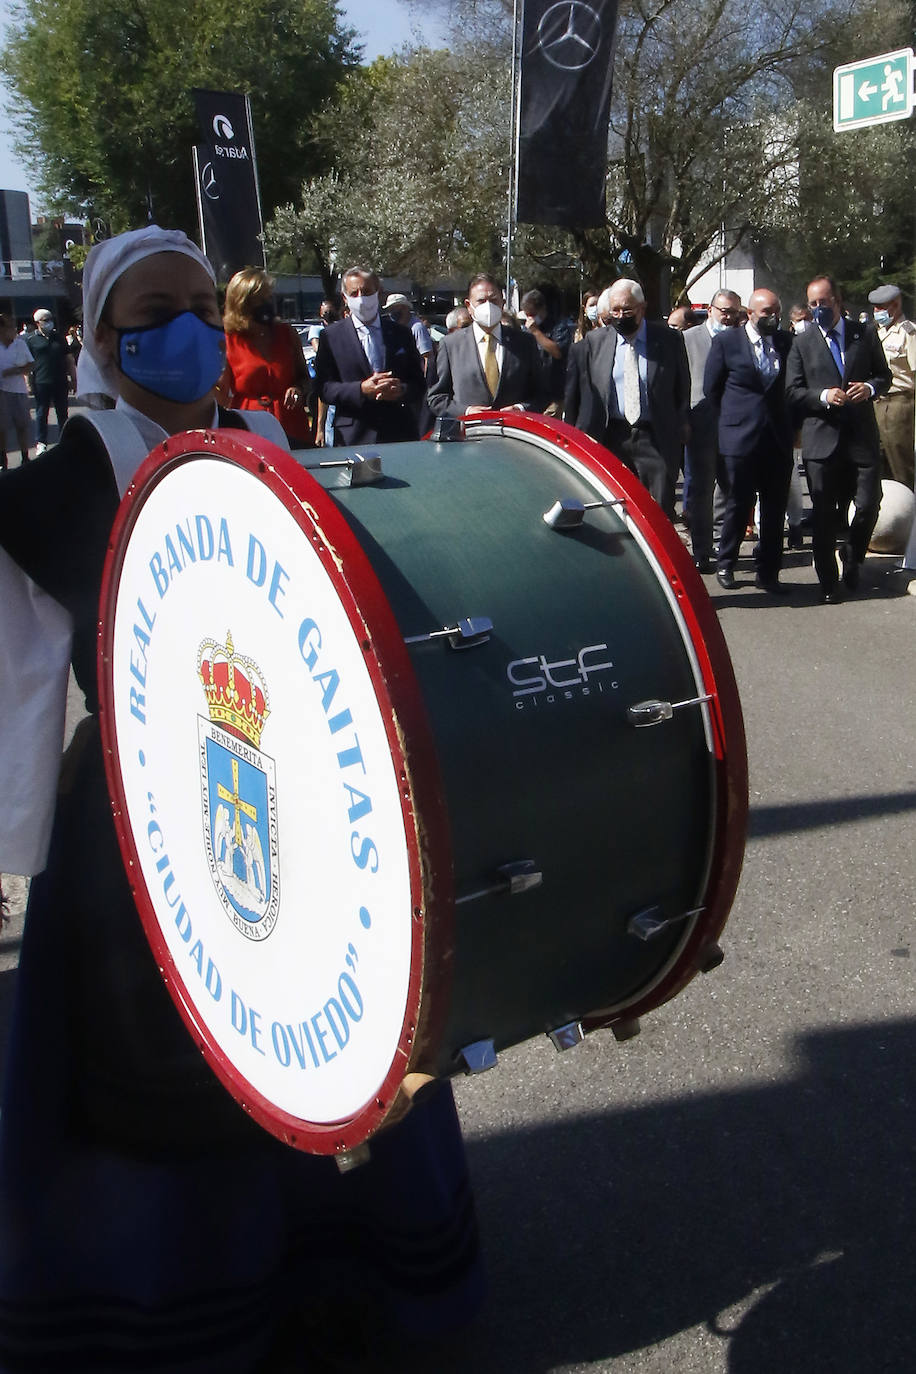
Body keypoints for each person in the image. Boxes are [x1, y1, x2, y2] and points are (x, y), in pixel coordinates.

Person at [0, 226, 484, 1373]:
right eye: (152, 313)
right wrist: (22, 838)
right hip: (135, 821)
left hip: (293, 780)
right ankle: (183, 1307)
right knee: (166, 1063)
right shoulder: (53, 487)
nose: (185, 330)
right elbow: (22, 682)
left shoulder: (269, 441)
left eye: (201, 306)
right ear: (100, 338)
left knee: (324, 1015)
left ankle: (343, 1271)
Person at [785, 273, 891, 602]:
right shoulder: (802, 342)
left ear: (838, 301)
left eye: (824, 302)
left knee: (869, 504)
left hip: (860, 438)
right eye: (813, 303)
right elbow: (792, 391)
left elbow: (883, 375)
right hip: (822, 441)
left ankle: (853, 554)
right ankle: (828, 581)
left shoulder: (864, 334)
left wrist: (869, 387)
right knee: (825, 514)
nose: (818, 308)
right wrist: (823, 396)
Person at [563, 279, 689, 519]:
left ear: (642, 307)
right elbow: (579, 395)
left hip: (654, 436)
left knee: (658, 511)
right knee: (613, 510)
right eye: (615, 311)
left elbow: (682, 387)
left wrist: (682, 424)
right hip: (610, 436)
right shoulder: (595, 342)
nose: (621, 316)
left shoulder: (668, 340)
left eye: (627, 310)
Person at [704, 289, 795, 594]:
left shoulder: (786, 342)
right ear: (750, 313)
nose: (773, 317)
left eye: (776, 311)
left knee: (774, 508)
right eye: (766, 312)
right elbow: (712, 388)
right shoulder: (727, 342)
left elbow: (793, 386)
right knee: (738, 503)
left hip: (777, 439)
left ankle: (768, 571)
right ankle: (726, 562)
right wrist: (731, 423)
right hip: (740, 438)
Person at [315, 266, 427, 446]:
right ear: (345, 298)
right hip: (354, 436)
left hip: (399, 432)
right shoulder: (331, 336)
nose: (361, 298)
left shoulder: (401, 333)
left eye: (367, 292)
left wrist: (400, 390)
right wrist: (360, 389)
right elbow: (324, 388)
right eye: (354, 293)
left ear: (378, 293)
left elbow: (419, 384)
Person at [428, 273, 547, 418]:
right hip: (469, 429)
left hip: (514, 429)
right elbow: (437, 398)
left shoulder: (524, 342)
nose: (488, 306)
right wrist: (466, 411)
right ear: (469, 306)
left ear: (502, 303)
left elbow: (542, 393)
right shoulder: (451, 345)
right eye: (481, 301)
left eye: (493, 300)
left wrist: (520, 408)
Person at [219, 267, 313, 444]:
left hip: (290, 422)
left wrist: (297, 389)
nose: (267, 303)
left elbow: (305, 378)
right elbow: (220, 394)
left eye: (269, 297)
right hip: (248, 425)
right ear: (243, 304)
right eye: (260, 299)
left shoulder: (287, 334)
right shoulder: (228, 341)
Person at [682, 291, 742, 570]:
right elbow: (680, 381)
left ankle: (727, 547)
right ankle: (702, 550)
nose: (727, 317)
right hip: (700, 423)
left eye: (733, 312)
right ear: (710, 310)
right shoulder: (688, 339)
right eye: (723, 311)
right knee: (701, 490)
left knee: (733, 488)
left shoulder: (741, 339)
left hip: (733, 424)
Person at [867, 283, 916, 489]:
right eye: (875, 307)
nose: (877, 312)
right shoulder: (875, 332)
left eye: (881, 307)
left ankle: (908, 505)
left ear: (895, 305)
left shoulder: (909, 333)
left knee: (900, 464)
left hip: (899, 403)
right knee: (879, 464)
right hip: (876, 401)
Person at [27, 307, 76, 452]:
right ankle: (41, 442)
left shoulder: (59, 338)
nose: (49, 322)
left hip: (60, 381)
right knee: (41, 413)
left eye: (50, 319)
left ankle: (64, 440)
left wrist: (74, 379)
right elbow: (28, 363)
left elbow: (69, 359)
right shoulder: (31, 340)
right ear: (37, 322)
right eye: (45, 320)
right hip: (41, 381)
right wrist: (28, 383)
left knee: (63, 413)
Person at [519, 287, 572, 413]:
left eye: (532, 314)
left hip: (553, 394)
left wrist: (536, 332)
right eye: (527, 315)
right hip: (532, 395)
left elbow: (558, 352)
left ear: (542, 309)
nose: (530, 319)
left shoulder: (559, 326)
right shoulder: (525, 329)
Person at [0, 312, 33, 468]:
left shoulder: (20, 344)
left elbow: (31, 365)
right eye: (8, 327)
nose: (12, 329)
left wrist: (15, 371)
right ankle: (2, 460)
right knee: (2, 428)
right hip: (1, 392)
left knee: (22, 425)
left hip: (18, 391)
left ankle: (25, 457)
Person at [384, 293, 435, 378]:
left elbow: (427, 358)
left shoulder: (417, 328)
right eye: (389, 309)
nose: (391, 312)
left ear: (405, 308)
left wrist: (425, 380)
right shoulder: (393, 329)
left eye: (394, 308)